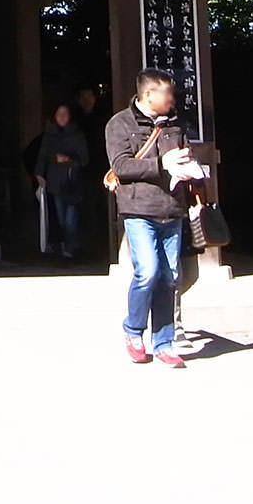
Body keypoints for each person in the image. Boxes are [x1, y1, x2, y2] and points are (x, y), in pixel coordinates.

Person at [105, 69, 206, 367]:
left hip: (172, 207)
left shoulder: (175, 124)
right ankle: (133, 330)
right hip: (138, 209)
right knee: (147, 271)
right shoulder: (120, 124)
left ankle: (163, 342)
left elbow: (185, 155)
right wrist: (162, 164)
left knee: (170, 277)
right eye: (167, 93)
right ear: (148, 95)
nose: (172, 98)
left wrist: (191, 169)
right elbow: (121, 166)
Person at [33, 102, 89, 259]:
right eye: (59, 114)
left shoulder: (77, 134)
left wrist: (69, 160)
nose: (62, 117)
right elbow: (42, 156)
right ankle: (68, 244)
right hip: (56, 182)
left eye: (65, 113)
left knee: (71, 218)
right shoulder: (49, 135)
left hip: (72, 182)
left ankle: (70, 249)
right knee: (62, 219)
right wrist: (39, 173)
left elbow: (85, 159)